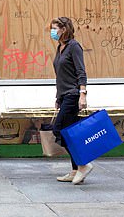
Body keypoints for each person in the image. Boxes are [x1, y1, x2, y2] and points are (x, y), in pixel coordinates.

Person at [50, 17, 93, 185]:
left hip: (73, 95)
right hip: (64, 95)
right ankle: (76, 170)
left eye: (55, 28)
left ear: (64, 29)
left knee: (59, 129)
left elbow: (81, 72)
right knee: (71, 133)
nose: (52, 32)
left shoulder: (74, 47)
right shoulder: (60, 47)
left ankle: (83, 164)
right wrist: (58, 98)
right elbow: (60, 76)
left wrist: (83, 94)